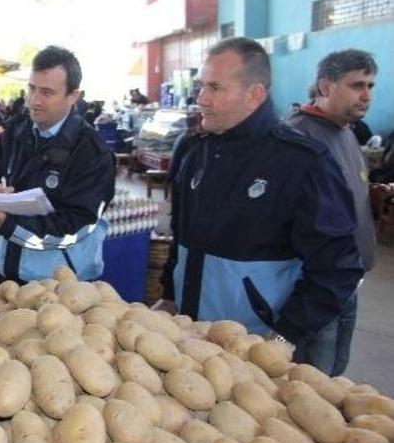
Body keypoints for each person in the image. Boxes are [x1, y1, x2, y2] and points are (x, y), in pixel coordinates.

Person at [158, 38, 363, 369]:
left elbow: (337, 268)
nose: (201, 99)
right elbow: (180, 240)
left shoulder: (302, 163)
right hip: (189, 344)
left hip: (256, 349)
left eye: (214, 88)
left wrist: (283, 339)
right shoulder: (194, 152)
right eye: (201, 86)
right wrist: (169, 297)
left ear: (254, 94)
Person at [0, 45, 115, 282]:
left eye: (47, 92)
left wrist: (8, 223)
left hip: (63, 287)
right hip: (9, 274)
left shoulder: (91, 152)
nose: (34, 101)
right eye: (32, 89)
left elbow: (77, 228)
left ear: (73, 96)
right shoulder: (15, 132)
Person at [284, 49, 377, 375]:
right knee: (311, 381)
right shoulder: (299, 135)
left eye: (370, 86)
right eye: (357, 85)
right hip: (316, 286)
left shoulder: (345, 132)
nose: (366, 95)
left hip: (348, 283)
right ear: (325, 87)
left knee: (335, 373)